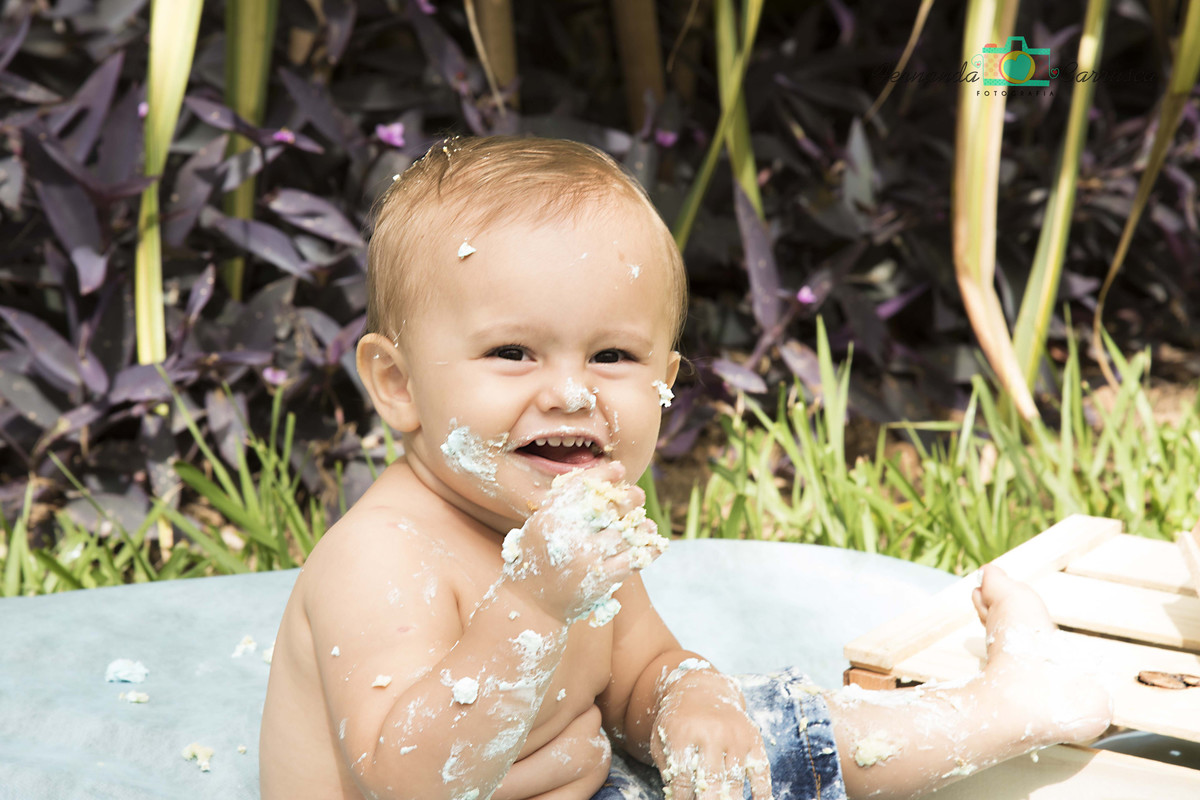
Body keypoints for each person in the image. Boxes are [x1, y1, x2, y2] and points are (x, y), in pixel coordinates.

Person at [259, 135, 1113, 800]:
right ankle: (1011, 706)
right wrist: (532, 604)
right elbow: (405, 779)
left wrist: (686, 700)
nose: (570, 393)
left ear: (665, 380)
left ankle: (1017, 705)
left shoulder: (575, 531)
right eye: (512, 352)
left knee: (764, 732)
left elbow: (638, 670)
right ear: (398, 384)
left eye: (612, 356)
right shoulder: (383, 558)